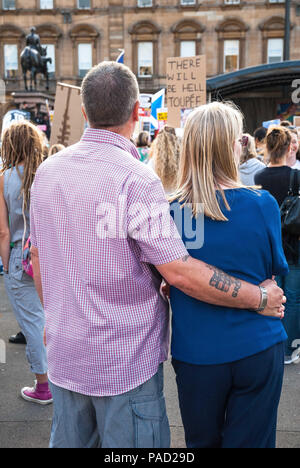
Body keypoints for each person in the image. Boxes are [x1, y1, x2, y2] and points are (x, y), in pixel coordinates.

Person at [29, 62, 285, 449]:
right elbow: (179, 272)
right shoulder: (137, 178)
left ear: (84, 113)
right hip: (125, 363)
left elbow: (36, 256)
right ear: (136, 112)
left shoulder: (46, 173)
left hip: (66, 354)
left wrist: (54, 318)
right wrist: (259, 297)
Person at [169, 102, 289, 449]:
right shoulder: (261, 204)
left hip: (196, 352)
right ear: (228, 146)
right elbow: (272, 275)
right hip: (257, 344)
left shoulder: (170, 211)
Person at [0, 121, 52, 404]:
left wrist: (6, 266)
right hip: (50, 257)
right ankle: (64, 377)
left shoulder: (4, 177)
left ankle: (43, 386)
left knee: (32, 322)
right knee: (54, 317)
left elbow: (3, 230)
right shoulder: (47, 174)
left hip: (21, 258)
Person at [255, 125, 300, 363]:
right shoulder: (296, 176)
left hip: (267, 244)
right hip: (293, 244)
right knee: (292, 296)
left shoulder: (259, 177)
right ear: (287, 148)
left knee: (269, 291)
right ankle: (288, 349)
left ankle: (272, 342)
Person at [147, 126, 181, 195]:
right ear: (175, 140)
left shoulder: (153, 162)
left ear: (158, 142)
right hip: (177, 201)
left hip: (158, 201)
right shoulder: (182, 161)